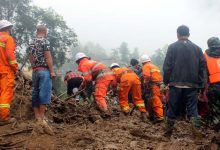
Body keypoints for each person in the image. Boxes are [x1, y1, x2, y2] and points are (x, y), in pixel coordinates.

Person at [163, 25, 206, 137]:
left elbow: (167, 66)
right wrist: (201, 85)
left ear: (177, 34)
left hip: (175, 83)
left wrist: (166, 81)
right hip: (192, 84)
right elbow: (202, 68)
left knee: (172, 108)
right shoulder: (197, 49)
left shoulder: (172, 47)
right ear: (189, 34)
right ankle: (197, 134)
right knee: (193, 109)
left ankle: (167, 134)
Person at [29, 25, 56, 131]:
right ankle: (42, 117)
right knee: (44, 92)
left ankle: (37, 116)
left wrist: (33, 67)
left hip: (35, 70)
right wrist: (52, 71)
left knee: (35, 92)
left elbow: (30, 56)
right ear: (45, 32)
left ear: (37, 31)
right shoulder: (45, 41)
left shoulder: (32, 42)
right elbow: (48, 57)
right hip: (44, 70)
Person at [0, 20, 18, 125]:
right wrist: (15, 68)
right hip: (5, 70)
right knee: (5, 92)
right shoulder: (8, 38)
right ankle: (3, 117)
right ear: (8, 28)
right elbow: (10, 55)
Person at [140, 54, 164, 122]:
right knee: (158, 100)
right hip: (159, 85)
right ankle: (155, 115)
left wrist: (145, 84)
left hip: (153, 86)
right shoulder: (154, 66)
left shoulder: (145, 66)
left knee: (155, 101)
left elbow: (147, 76)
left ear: (142, 62)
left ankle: (160, 117)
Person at [204, 37, 220, 131]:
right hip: (214, 87)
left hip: (214, 87)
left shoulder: (205, 55)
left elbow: (203, 73)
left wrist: (202, 89)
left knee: (216, 110)